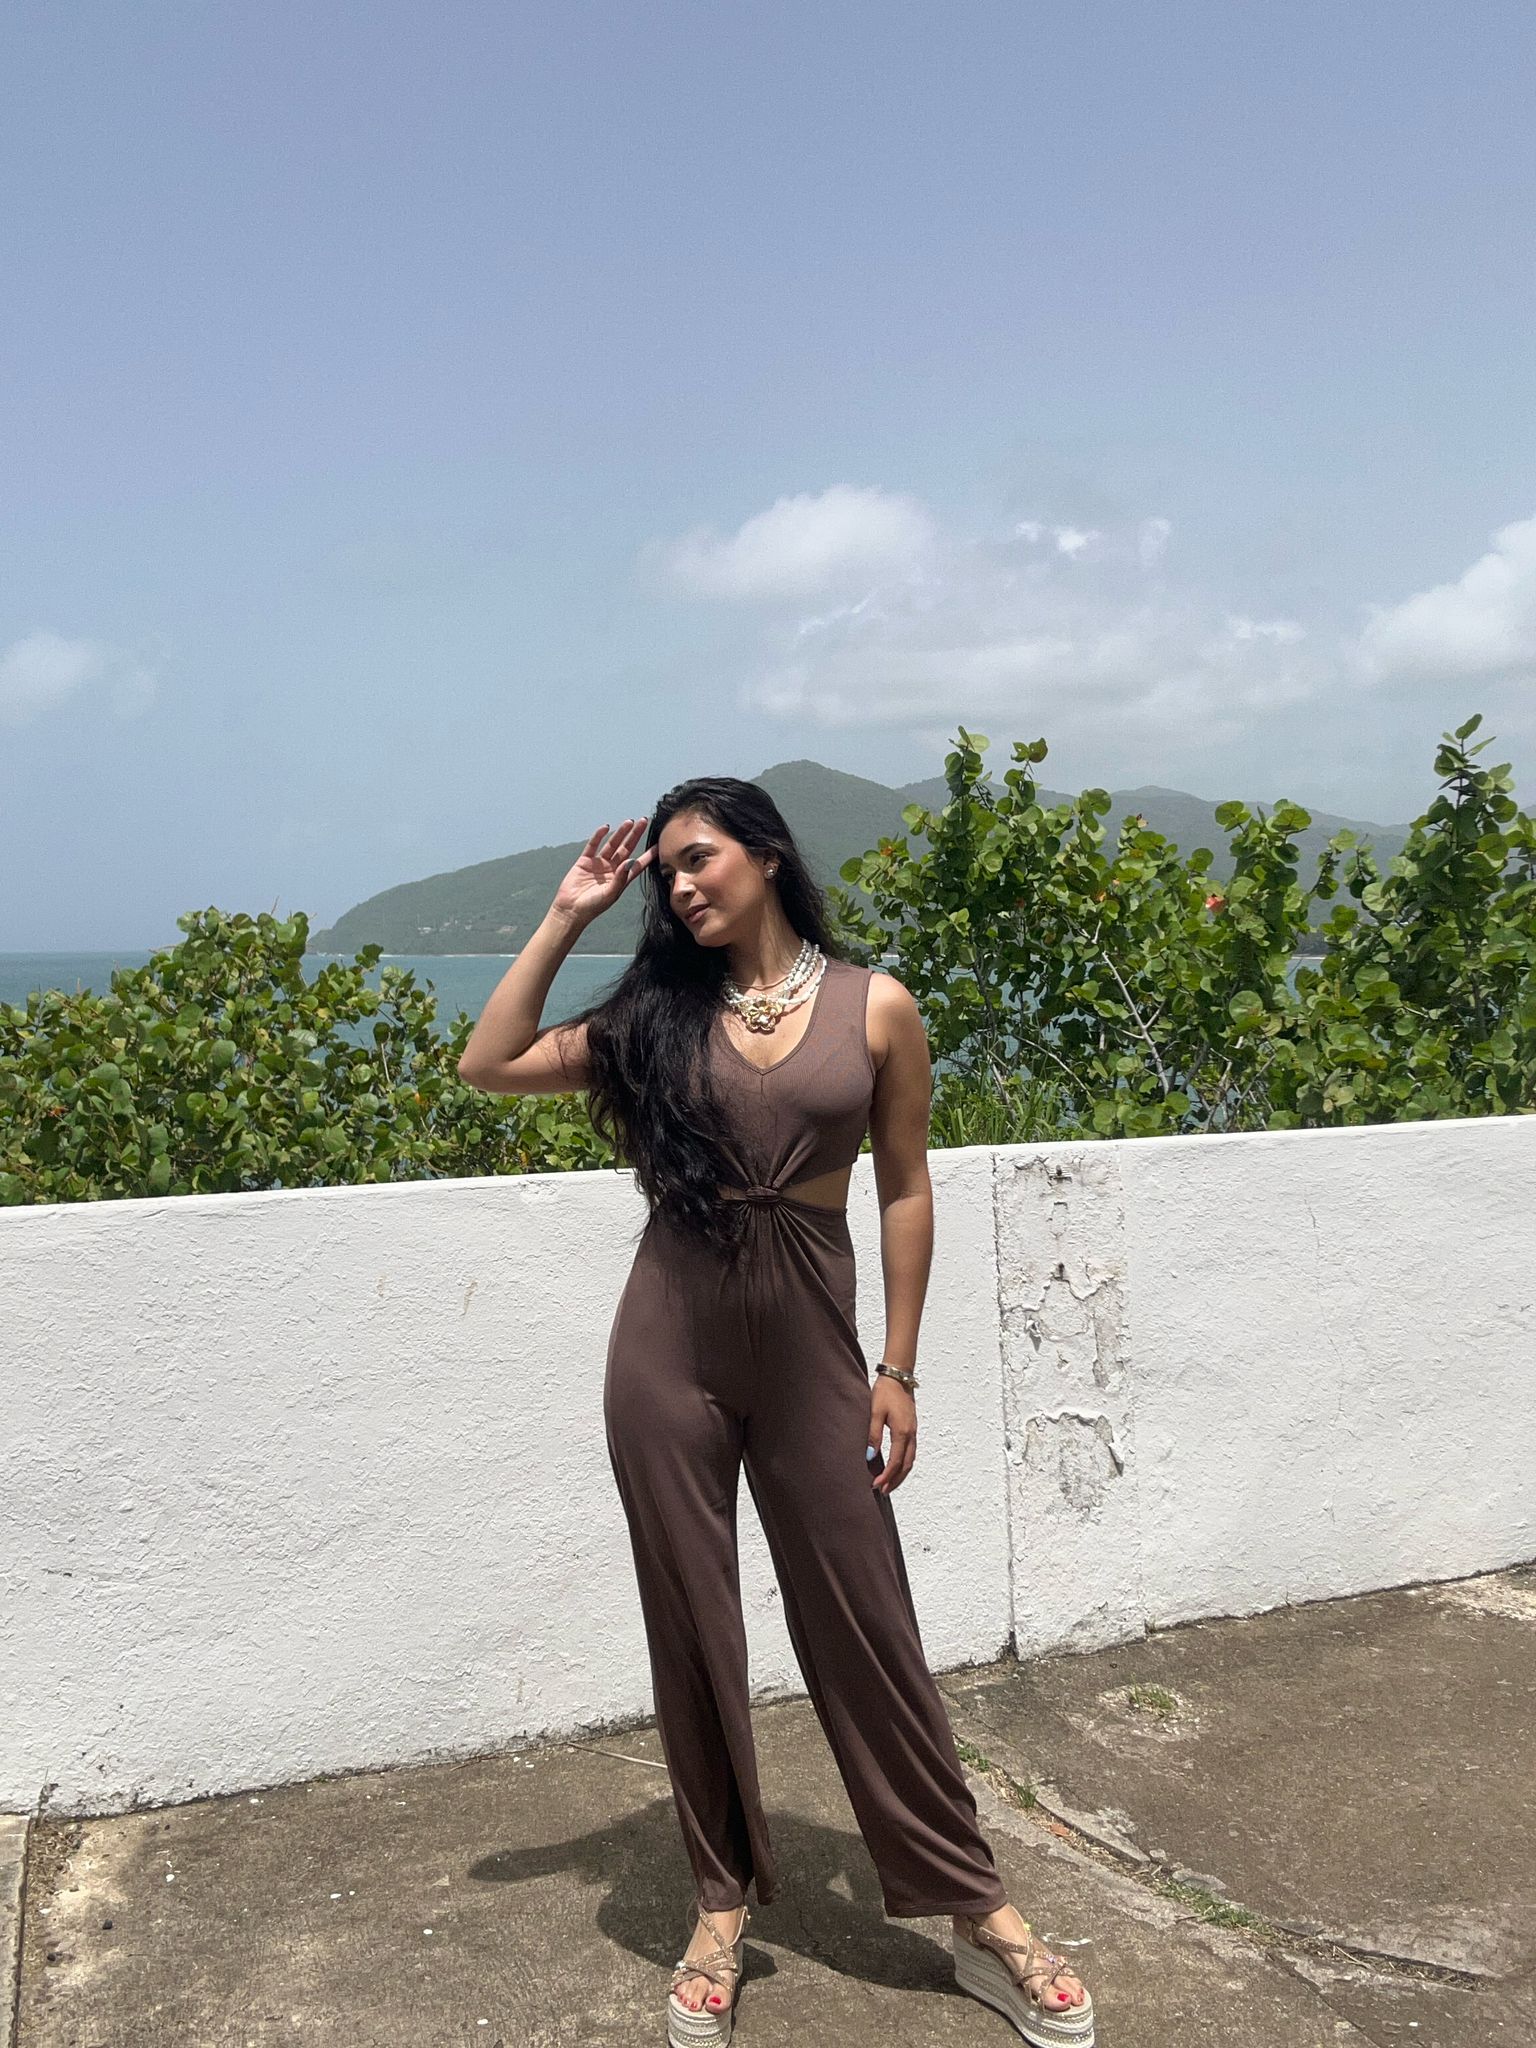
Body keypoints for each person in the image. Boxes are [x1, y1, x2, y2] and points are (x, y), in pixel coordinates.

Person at [458, 778, 1095, 2047]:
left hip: (812, 1346)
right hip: (666, 1347)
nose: (681, 885)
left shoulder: (874, 1005)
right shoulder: (654, 1013)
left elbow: (905, 1185)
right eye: (663, 875)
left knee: (867, 1617)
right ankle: (718, 1901)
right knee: (694, 1616)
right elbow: (488, 1062)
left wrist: (899, 1366)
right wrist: (568, 914)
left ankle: (976, 1908)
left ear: (765, 853)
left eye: (698, 860)